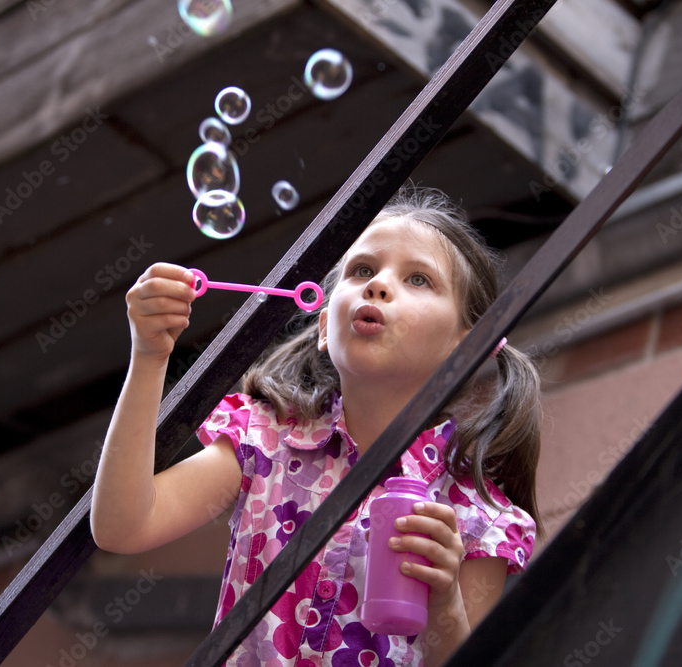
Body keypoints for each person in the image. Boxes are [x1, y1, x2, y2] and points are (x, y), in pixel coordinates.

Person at [91, 186, 542, 666]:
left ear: (466, 349)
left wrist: (444, 599)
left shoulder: (478, 521)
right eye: (362, 270)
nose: (378, 285)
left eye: (417, 279)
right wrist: (149, 356)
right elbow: (124, 525)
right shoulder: (265, 440)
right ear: (324, 327)